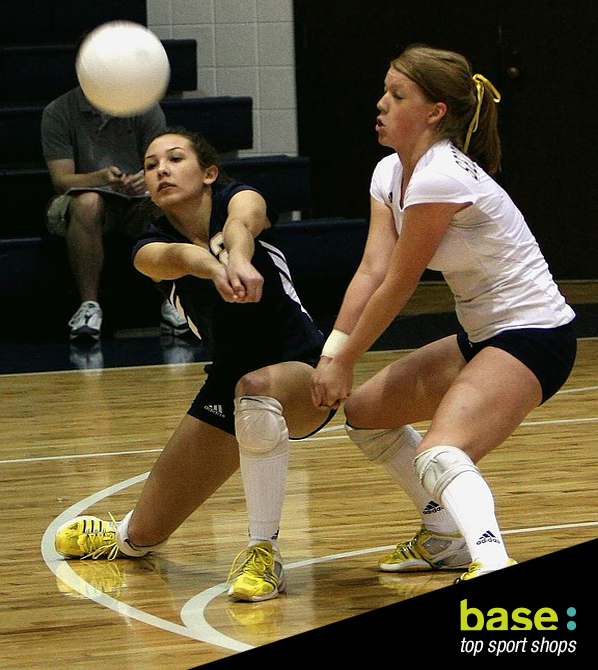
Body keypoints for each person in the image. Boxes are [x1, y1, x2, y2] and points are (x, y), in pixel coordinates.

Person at [312, 44, 577, 581]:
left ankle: (491, 560)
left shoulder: (441, 176)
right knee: (365, 414)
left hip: (535, 336)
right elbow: (370, 270)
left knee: (441, 452)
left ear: (435, 112)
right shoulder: (390, 172)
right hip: (484, 336)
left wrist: (342, 361)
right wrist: (332, 352)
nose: (381, 103)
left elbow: (399, 283)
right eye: (384, 91)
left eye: (397, 94)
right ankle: (445, 535)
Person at [54, 128, 334, 602]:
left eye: (175, 158)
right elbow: (177, 257)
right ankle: (121, 535)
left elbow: (244, 224)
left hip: (306, 371)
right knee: (142, 536)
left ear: (208, 173)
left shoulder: (239, 198)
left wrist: (238, 258)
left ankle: (263, 551)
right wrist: (213, 267)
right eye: (150, 164)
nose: (161, 169)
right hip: (230, 380)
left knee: (256, 386)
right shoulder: (148, 245)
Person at [41, 85, 190, 340]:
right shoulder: (59, 111)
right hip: (89, 198)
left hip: (137, 199)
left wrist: (146, 178)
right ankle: (88, 307)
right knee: (87, 203)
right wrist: (100, 178)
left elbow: (162, 162)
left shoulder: (144, 105)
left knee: (166, 200)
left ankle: (173, 301)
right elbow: (61, 180)